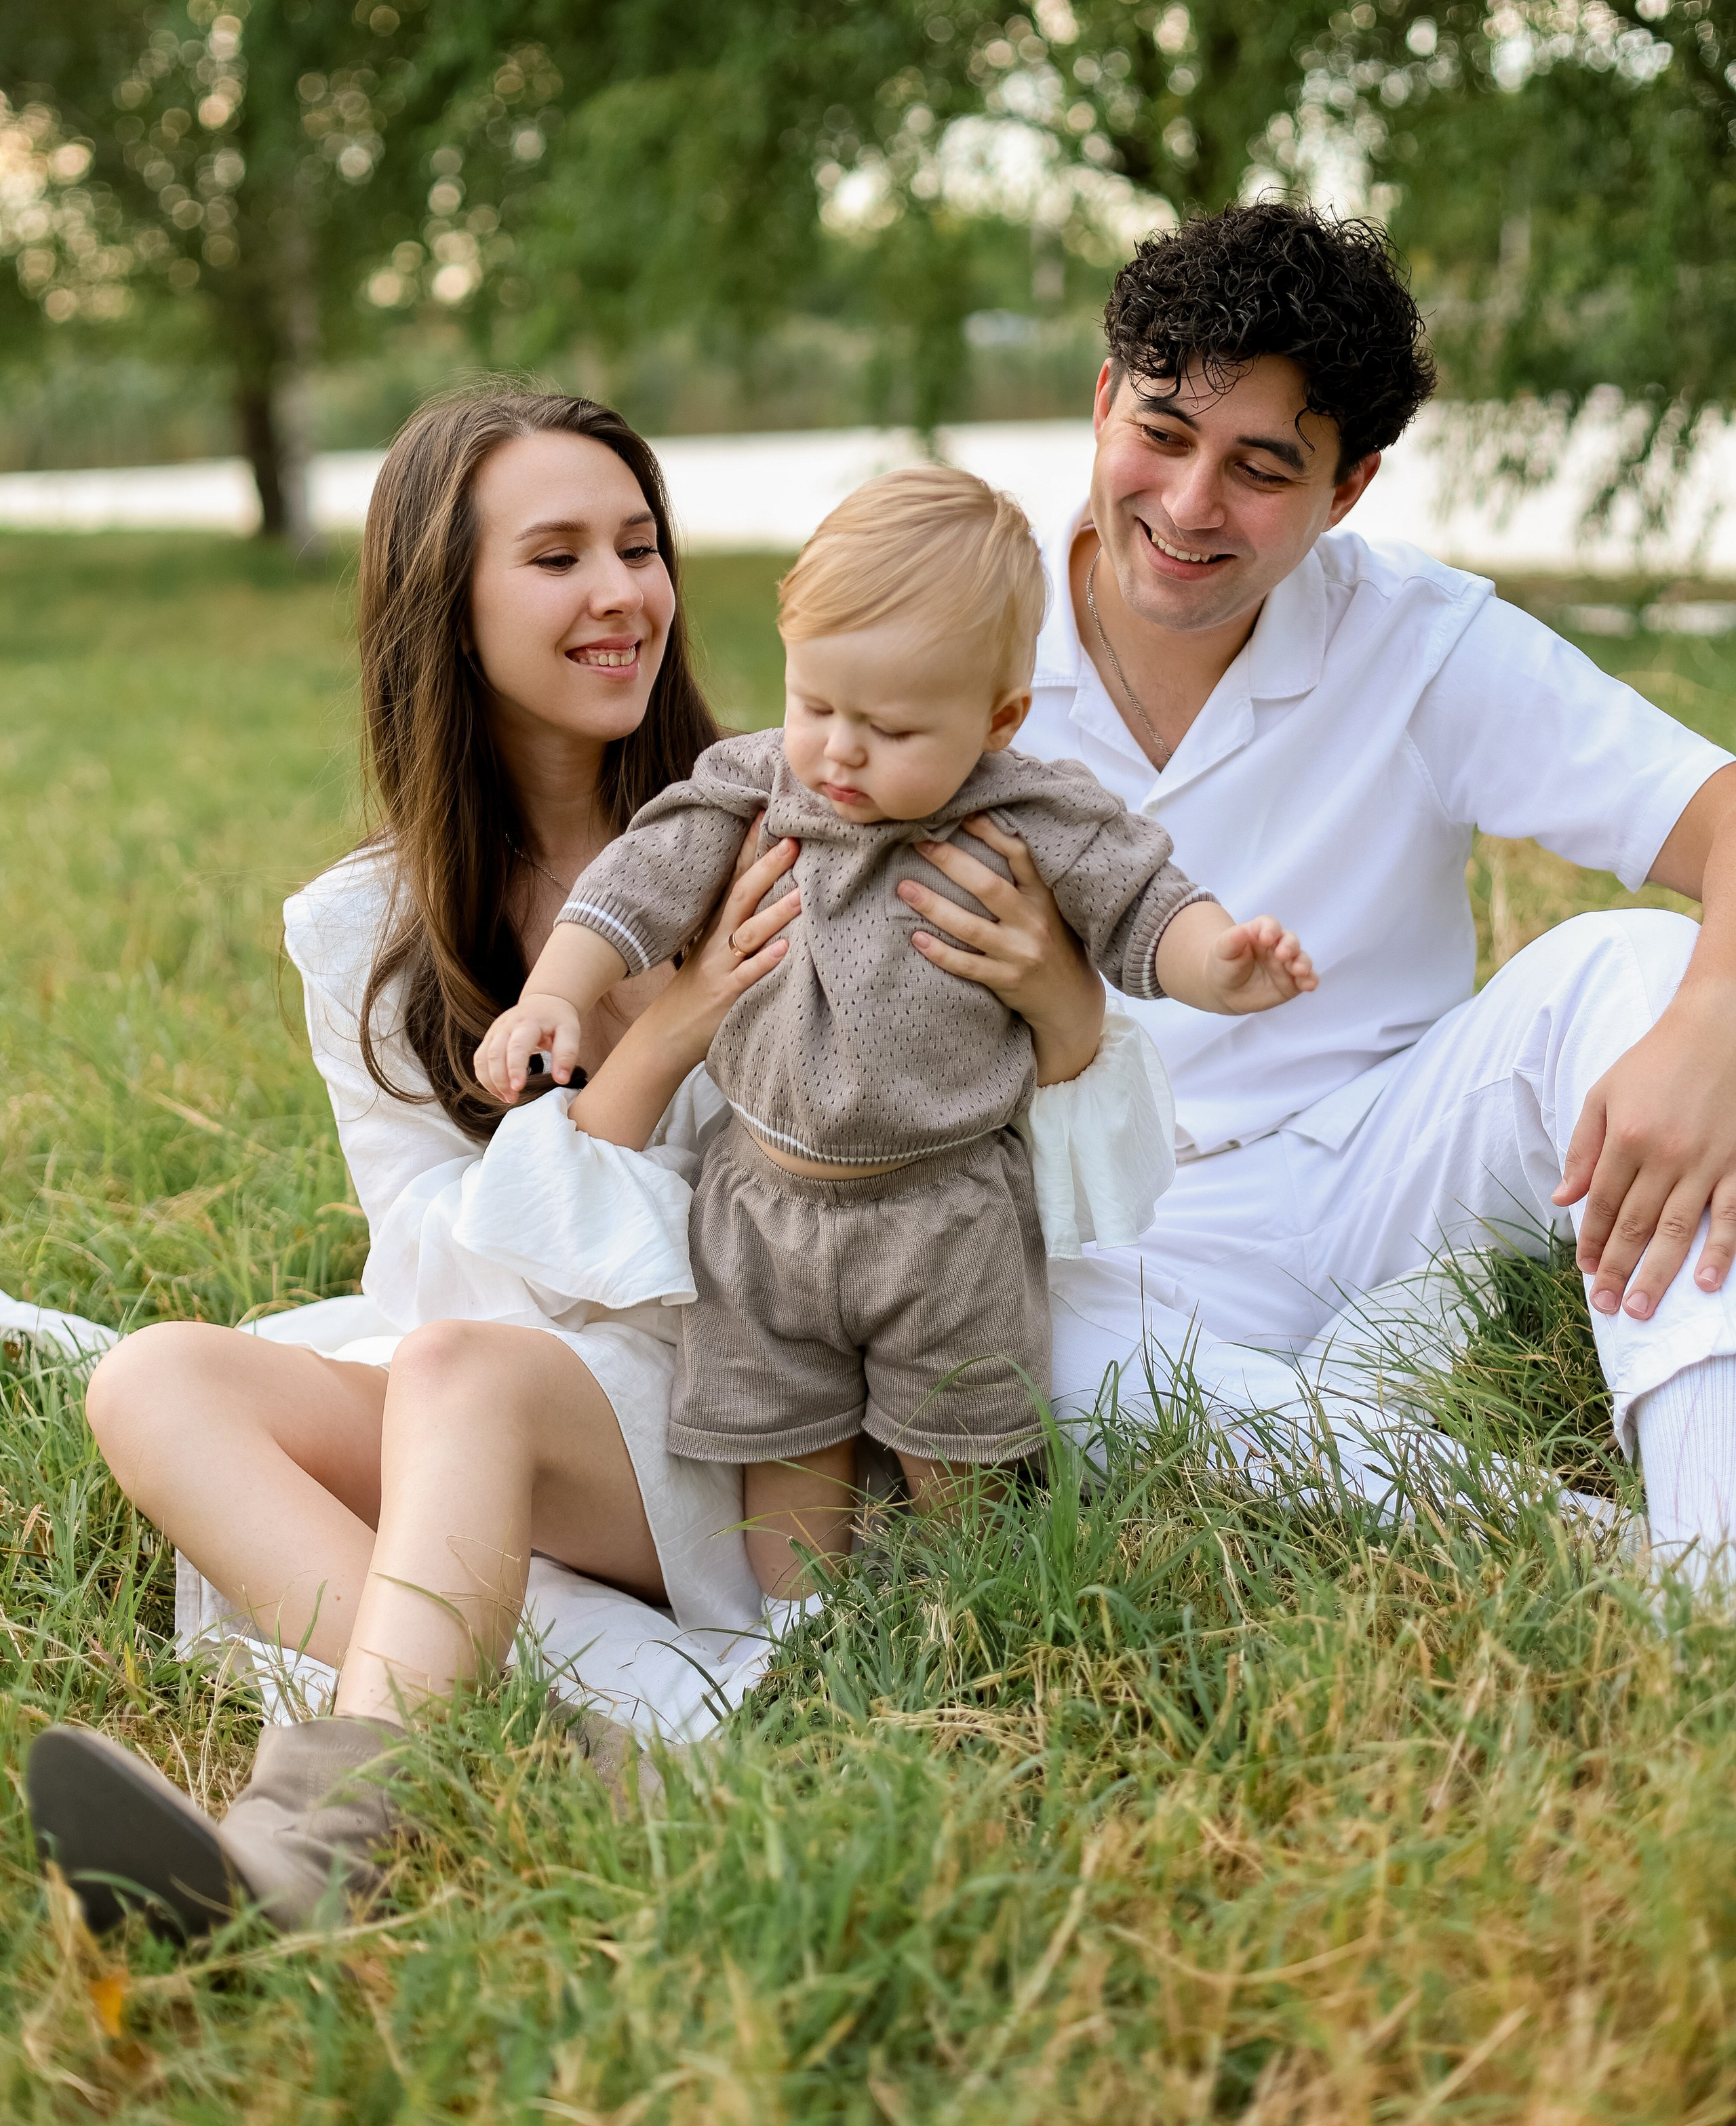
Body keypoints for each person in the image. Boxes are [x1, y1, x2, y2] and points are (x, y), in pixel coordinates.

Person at [24, 383, 1126, 1940]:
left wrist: (1057, 996)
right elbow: (419, 1262)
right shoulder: (360, 927)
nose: (622, 594)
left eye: (638, 543)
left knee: (467, 1373)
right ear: (446, 606)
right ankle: (534, 1745)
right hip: (516, 1384)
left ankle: (325, 1832)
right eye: (555, 557)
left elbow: (974, 1142)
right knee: (154, 1381)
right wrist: (660, 1041)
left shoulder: (806, 824)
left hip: (759, 1411)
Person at [1019, 202, 1736, 1573]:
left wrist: (1705, 1033)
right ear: (1104, 398)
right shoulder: (965, 624)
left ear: (1344, 490)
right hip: (1103, 1229)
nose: (1186, 506)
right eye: (1160, 433)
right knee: (1006, 1324)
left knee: (1640, 974)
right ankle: (1606, 1565)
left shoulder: (1415, 637)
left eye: (1259, 469)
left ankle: (1717, 1539)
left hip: (1393, 1165)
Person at [477, 467, 1316, 1597]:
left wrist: (1219, 963)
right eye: (816, 704)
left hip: (948, 1210)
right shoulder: (755, 784)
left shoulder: (1027, 809)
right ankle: (798, 1635)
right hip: (763, 1210)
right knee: (783, 1451)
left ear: (999, 719)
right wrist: (560, 996)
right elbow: (637, 886)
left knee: (961, 1444)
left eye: (892, 727)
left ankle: (981, 1619)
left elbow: (1142, 901)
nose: (838, 752)